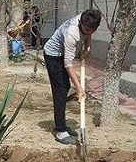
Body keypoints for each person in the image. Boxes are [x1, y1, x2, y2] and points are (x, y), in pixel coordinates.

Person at [43, 9, 102, 145]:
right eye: (86, 29)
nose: (88, 32)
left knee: (65, 87)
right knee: (60, 90)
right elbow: (68, 64)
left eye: (91, 30)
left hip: (63, 53)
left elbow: (88, 34)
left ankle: (60, 122)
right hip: (53, 55)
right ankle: (61, 130)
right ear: (80, 22)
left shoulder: (88, 19)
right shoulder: (72, 33)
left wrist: (87, 48)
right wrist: (80, 88)